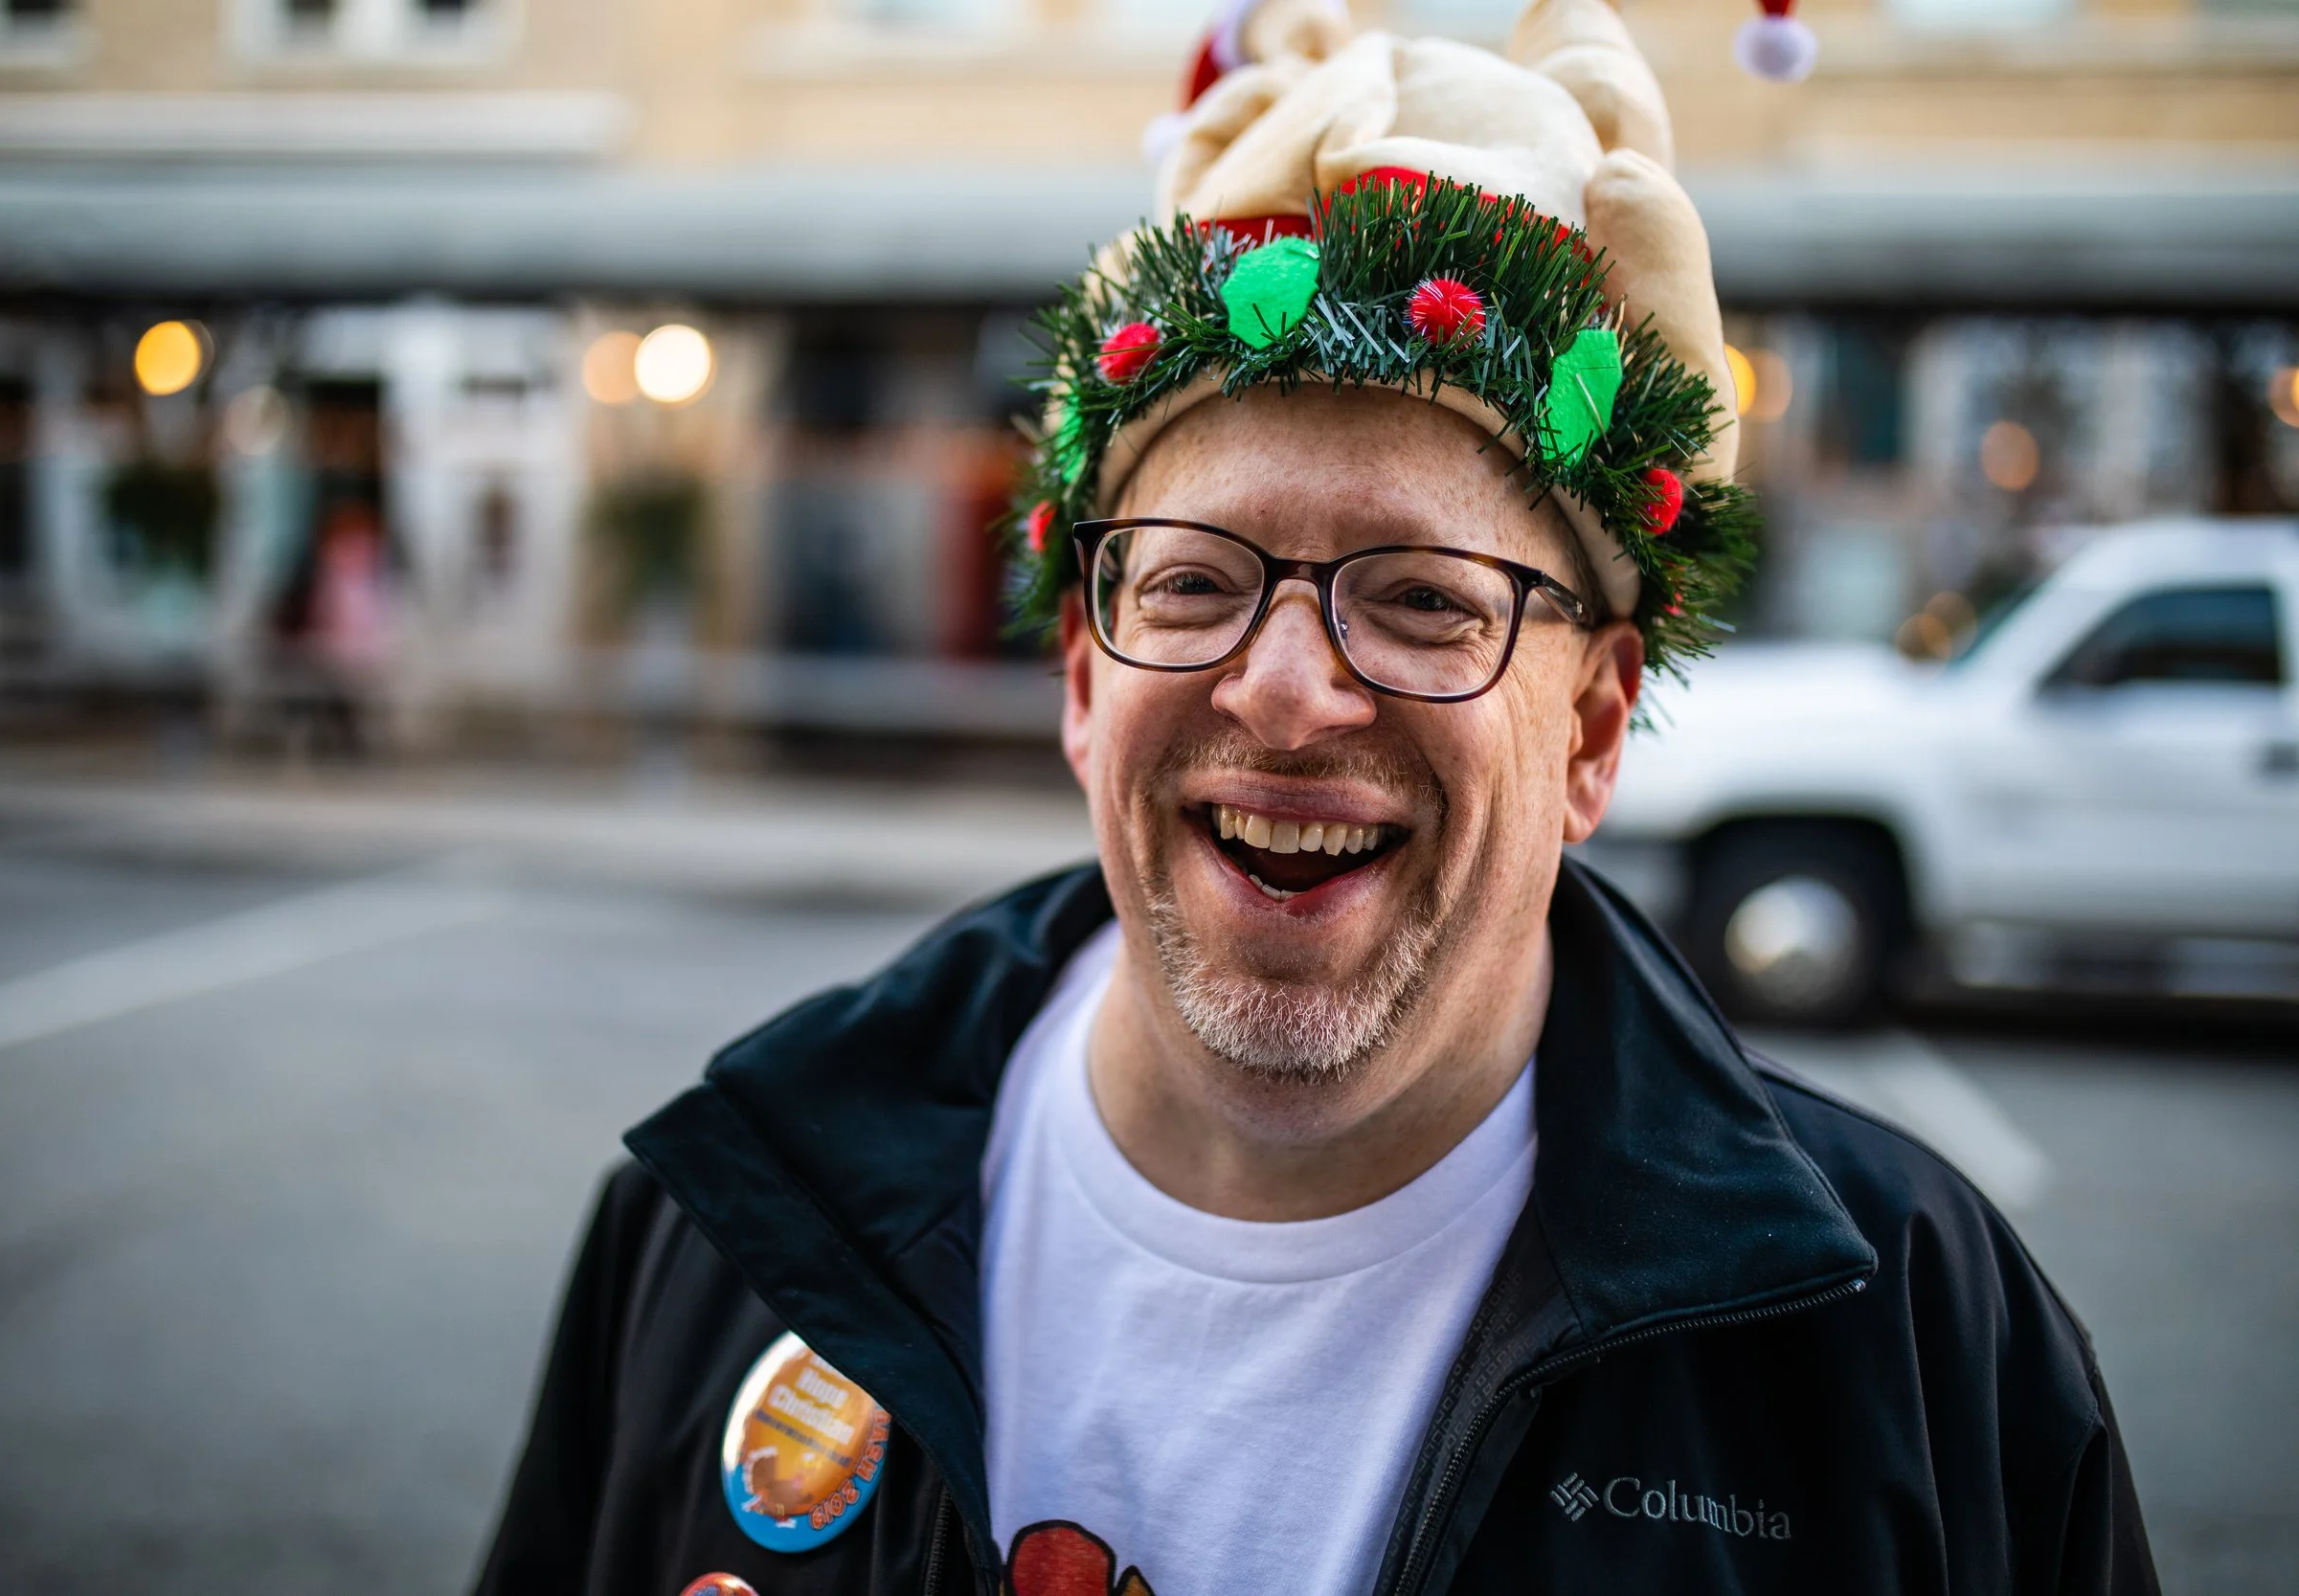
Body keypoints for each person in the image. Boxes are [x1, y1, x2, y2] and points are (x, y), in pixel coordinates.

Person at [472, 1, 2157, 1591]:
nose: (1282, 686)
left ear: (1590, 728)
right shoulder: (722, 1227)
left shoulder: (1916, 1345)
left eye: (1426, 597)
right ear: (1081, 677)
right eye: (1194, 583)